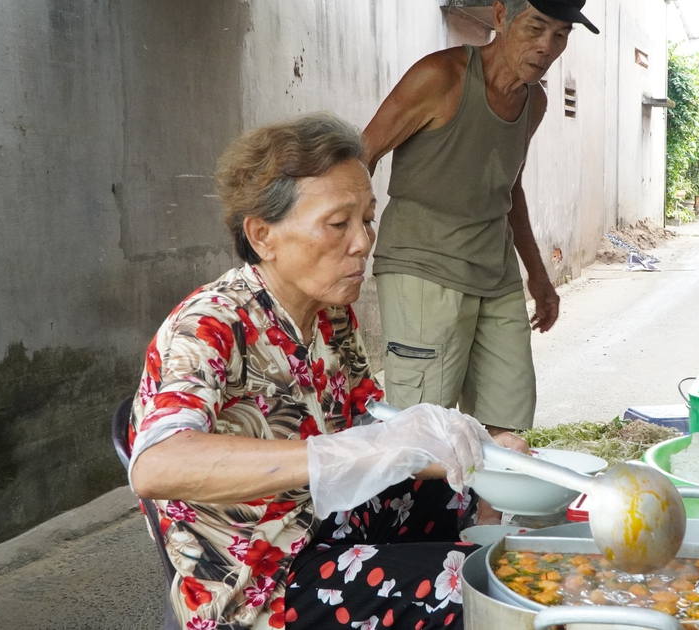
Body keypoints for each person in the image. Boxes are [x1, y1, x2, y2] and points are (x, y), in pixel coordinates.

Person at [128, 113, 512, 630]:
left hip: (321, 522)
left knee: (465, 492)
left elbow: (374, 425)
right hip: (261, 580)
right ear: (263, 235)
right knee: (475, 588)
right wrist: (343, 452)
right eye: (338, 224)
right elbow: (156, 465)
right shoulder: (211, 325)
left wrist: (471, 448)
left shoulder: (329, 313)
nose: (362, 242)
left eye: (368, 219)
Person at [362, 0, 599, 519]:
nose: (547, 46)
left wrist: (538, 276)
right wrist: (345, 245)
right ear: (499, 17)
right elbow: (364, 153)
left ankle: (485, 538)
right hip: (422, 268)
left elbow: (508, 186)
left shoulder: (532, 103)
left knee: (508, 419)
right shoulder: (440, 77)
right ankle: (409, 547)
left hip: (494, 271)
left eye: (560, 36)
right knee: (421, 428)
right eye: (536, 27)